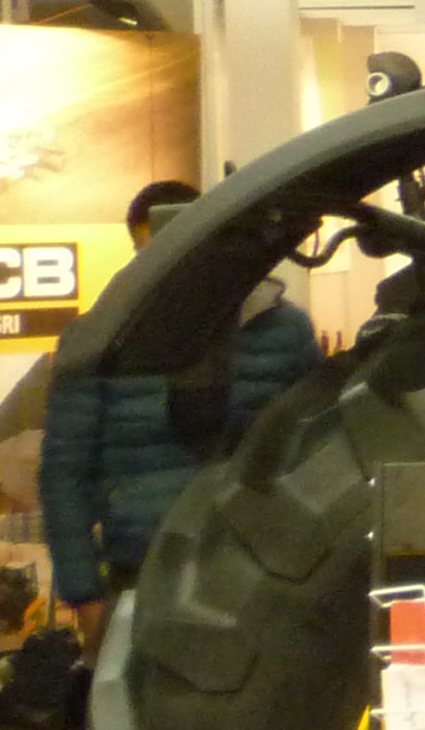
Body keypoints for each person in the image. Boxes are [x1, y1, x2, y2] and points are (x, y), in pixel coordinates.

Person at [42, 181, 321, 637]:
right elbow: (64, 471)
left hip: (263, 569)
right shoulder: (99, 340)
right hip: (144, 570)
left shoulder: (282, 329)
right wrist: (84, 594)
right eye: (152, 249)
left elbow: (313, 448)